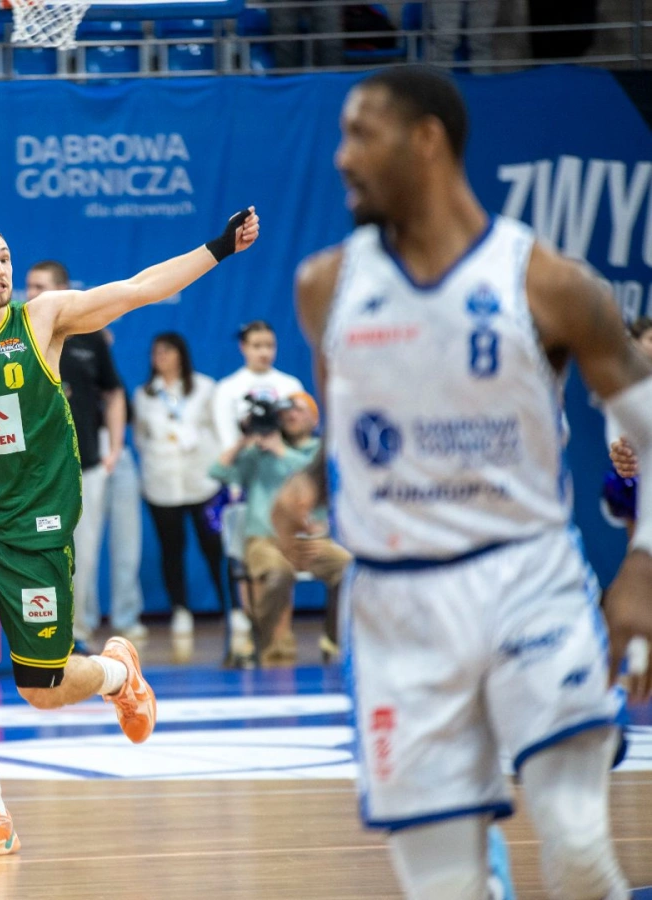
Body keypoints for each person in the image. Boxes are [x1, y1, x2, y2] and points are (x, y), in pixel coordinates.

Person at [272, 66, 652, 899]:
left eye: (360, 134)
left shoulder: (548, 282)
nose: (341, 157)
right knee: (444, 888)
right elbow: (353, 433)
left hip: (527, 579)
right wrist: (309, 483)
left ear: (427, 140)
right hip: (395, 604)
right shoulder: (325, 286)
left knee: (579, 851)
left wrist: (644, 564)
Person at [0, 208, 259, 859]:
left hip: (36, 529)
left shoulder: (42, 319)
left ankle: (116, 673)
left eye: (4, 257)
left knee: (42, 688)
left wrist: (218, 247)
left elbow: (140, 289)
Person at [25, 260, 133, 651]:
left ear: (62, 291)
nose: (31, 295)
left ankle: (78, 635)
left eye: (39, 287)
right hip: (37, 472)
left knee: (83, 556)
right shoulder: (20, 336)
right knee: (38, 555)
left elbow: (114, 392)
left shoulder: (91, 337)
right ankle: (41, 636)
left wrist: (114, 448)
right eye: (29, 287)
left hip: (86, 464)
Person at [209, 391, 348, 667]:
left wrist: (281, 451)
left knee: (348, 568)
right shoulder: (259, 454)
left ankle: (334, 638)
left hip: (307, 538)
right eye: (286, 411)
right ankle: (275, 651)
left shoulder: (318, 452)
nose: (291, 415)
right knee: (277, 573)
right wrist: (245, 439)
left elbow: (316, 476)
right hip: (264, 539)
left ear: (314, 418)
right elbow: (218, 472)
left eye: (299, 409)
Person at [132, 332, 226, 641]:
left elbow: (219, 429)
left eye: (167, 351)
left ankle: (232, 608)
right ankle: (180, 610)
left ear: (181, 355)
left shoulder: (205, 387)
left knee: (214, 547)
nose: (161, 357)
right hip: (162, 483)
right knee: (171, 549)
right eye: (156, 352)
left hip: (202, 481)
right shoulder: (144, 394)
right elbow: (141, 437)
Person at [211, 320, 306, 453]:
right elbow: (226, 436)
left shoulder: (291, 385)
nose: (264, 353)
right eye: (257, 346)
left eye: (270, 346)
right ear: (243, 347)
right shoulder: (227, 388)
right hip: (244, 459)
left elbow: (301, 431)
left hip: (286, 457)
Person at [605, 317, 652, 540]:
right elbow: (616, 438)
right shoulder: (621, 386)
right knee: (639, 546)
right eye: (651, 340)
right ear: (635, 343)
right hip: (633, 477)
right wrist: (623, 455)